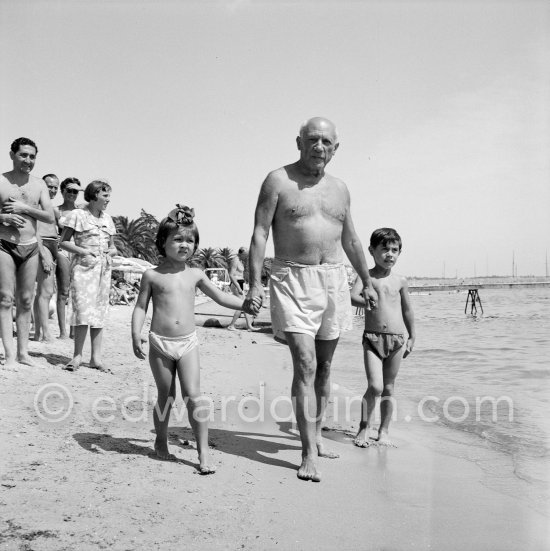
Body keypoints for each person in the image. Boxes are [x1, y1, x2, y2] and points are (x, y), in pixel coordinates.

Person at [243, 117, 377, 482]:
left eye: (326, 142)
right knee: (304, 363)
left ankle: (315, 436)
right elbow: (259, 233)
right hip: (291, 277)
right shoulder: (278, 180)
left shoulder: (341, 189)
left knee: (325, 367)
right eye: (312, 139)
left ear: (336, 148)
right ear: (299, 142)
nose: (319, 147)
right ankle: (306, 454)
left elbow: (351, 239)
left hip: (333, 278)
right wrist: (255, 284)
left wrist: (365, 280)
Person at [131, 205, 260, 473]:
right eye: (177, 239)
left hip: (187, 342)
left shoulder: (196, 274)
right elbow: (142, 307)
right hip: (159, 343)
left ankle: (203, 453)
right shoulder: (152, 275)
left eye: (190, 240)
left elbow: (220, 297)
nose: (184, 245)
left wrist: (244, 305)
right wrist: (136, 332)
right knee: (166, 396)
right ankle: (160, 440)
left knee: (194, 396)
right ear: (162, 242)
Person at [350, 228, 415, 447]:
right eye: (384, 249)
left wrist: (412, 336)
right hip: (372, 339)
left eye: (394, 250)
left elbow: (407, 311)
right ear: (371, 250)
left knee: (389, 388)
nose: (390, 254)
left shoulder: (401, 281)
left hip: (397, 339)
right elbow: (352, 297)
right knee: (375, 386)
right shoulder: (366, 277)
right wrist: (367, 301)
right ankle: (363, 427)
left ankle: (384, 430)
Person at [0, 138, 55, 369]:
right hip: (4, 243)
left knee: (25, 300)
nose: (28, 161)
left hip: (31, 245)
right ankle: (10, 355)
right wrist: (3, 218)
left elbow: (50, 217)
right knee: (5, 299)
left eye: (32, 156)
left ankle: (24, 353)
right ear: (12, 155)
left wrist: (24, 209)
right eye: (23, 155)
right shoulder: (2, 181)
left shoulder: (39, 185)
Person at [59, 180, 117, 372]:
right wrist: (83, 251)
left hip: (103, 271)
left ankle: (95, 358)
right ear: (94, 196)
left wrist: (111, 252)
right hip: (83, 270)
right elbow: (63, 242)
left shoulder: (108, 219)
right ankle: (77, 356)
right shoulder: (78, 215)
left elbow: (113, 246)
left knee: (99, 313)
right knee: (83, 311)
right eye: (105, 195)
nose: (108, 199)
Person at [33, 174, 61, 342]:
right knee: (46, 291)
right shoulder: (36, 206)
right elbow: (34, 231)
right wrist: (43, 254)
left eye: (55, 187)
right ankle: (45, 333)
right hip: (42, 244)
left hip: (53, 244)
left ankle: (38, 332)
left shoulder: (53, 208)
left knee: (42, 293)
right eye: (49, 186)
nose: (52, 189)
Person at [55, 177, 82, 338]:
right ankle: (63, 331)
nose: (72, 194)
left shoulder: (82, 210)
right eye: (69, 190)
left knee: (76, 292)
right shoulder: (55, 210)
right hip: (62, 249)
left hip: (77, 249)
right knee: (63, 290)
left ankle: (73, 330)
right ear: (62, 191)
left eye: (76, 191)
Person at [226, 247, 259, 331]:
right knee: (241, 305)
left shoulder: (240, 261)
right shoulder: (235, 260)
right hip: (236, 284)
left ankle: (249, 326)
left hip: (241, 283)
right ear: (241, 253)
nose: (246, 256)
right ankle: (231, 325)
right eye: (245, 255)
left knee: (245, 305)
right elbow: (231, 275)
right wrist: (238, 287)